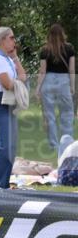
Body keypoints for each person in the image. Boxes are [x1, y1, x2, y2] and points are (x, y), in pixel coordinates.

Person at [0, 26, 27, 189]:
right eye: (12, 38)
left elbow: (23, 76)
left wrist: (15, 58)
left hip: (9, 104)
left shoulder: (7, 59)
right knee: (4, 147)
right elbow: (8, 84)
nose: (14, 41)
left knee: (11, 147)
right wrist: (19, 82)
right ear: (2, 40)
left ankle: (3, 185)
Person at [35, 24, 75, 153]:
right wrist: (72, 86)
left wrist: (37, 88)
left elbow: (42, 71)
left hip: (48, 81)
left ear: (49, 35)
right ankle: (67, 143)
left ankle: (54, 145)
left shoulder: (45, 50)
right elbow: (72, 70)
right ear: (62, 34)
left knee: (50, 115)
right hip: (64, 81)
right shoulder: (69, 49)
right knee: (67, 114)